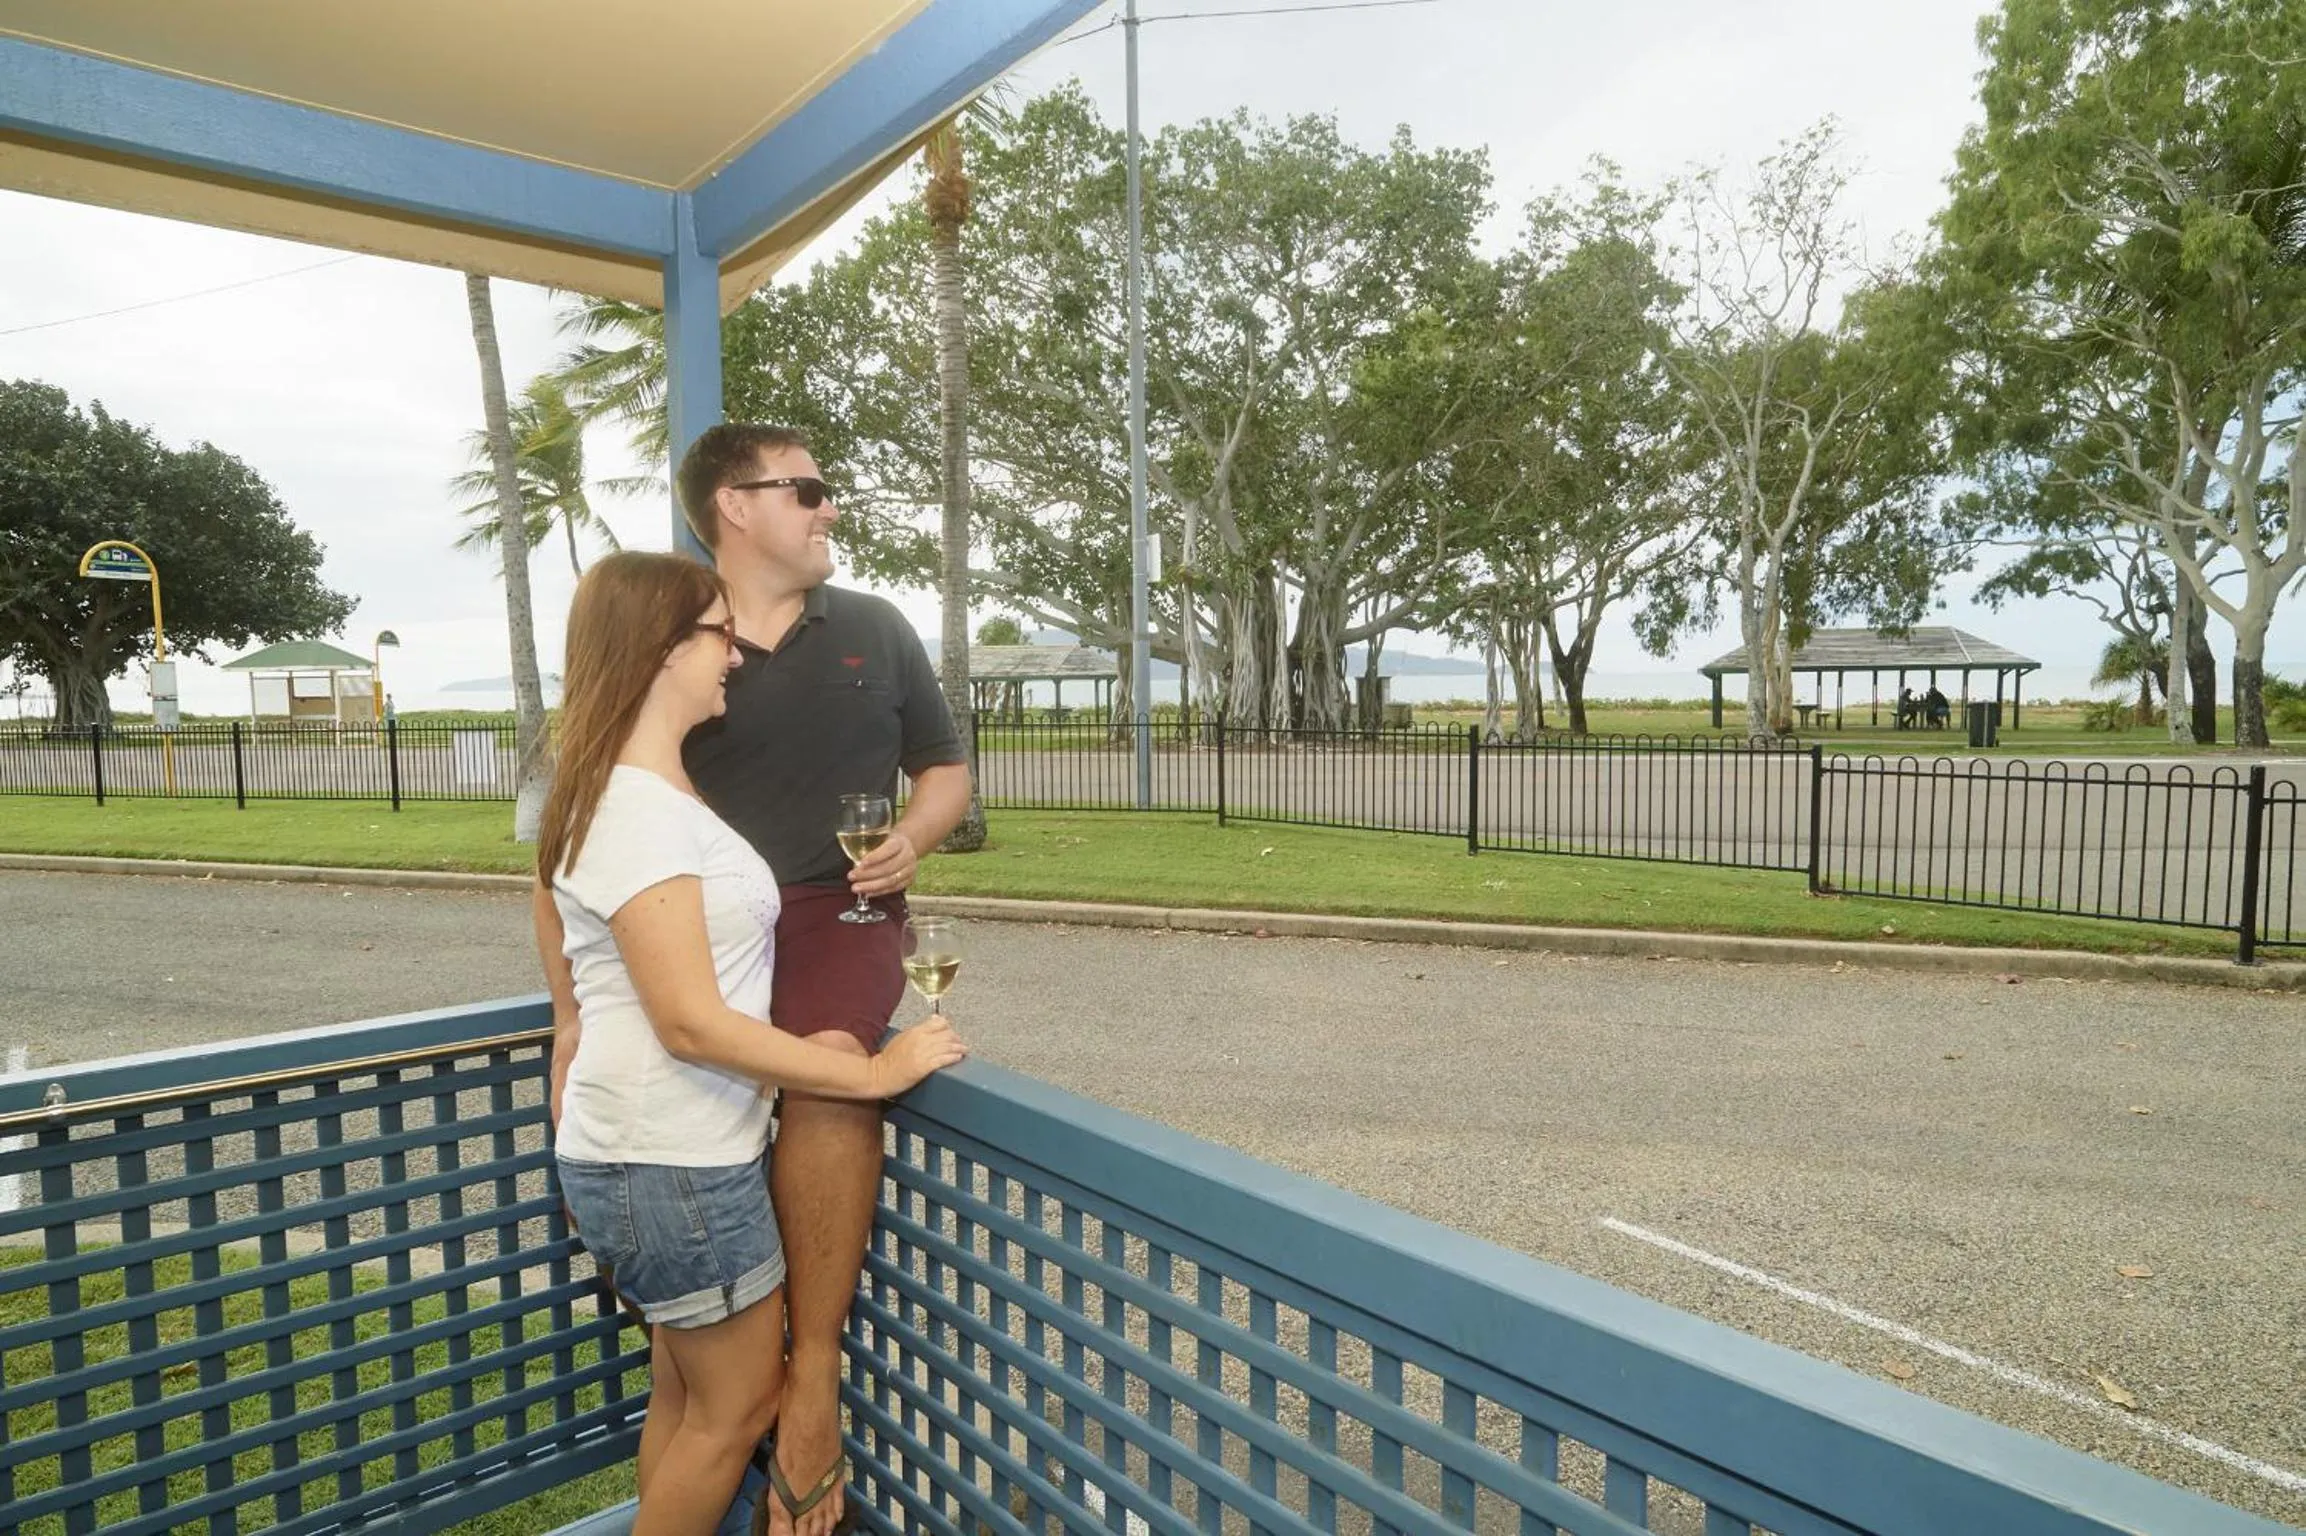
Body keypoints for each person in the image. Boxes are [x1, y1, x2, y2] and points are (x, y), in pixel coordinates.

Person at [533, 551, 968, 1536]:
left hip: (652, 1155)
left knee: (688, 1404)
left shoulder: (636, 789)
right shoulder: (639, 810)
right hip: (673, 1165)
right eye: (714, 635)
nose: (732, 655)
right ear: (660, 651)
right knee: (737, 1412)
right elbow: (691, 1023)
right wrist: (871, 1070)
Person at [675, 425, 977, 1536]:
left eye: (826, 491)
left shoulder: (876, 628)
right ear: (732, 506)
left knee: (833, 1071)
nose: (827, 509)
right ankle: (719, 1395)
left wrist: (912, 838)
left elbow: (943, 771)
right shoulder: (672, 632)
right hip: (702, 921)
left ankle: (812, 1382)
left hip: (842, 909)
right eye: (804, 490)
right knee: (695, 1115)